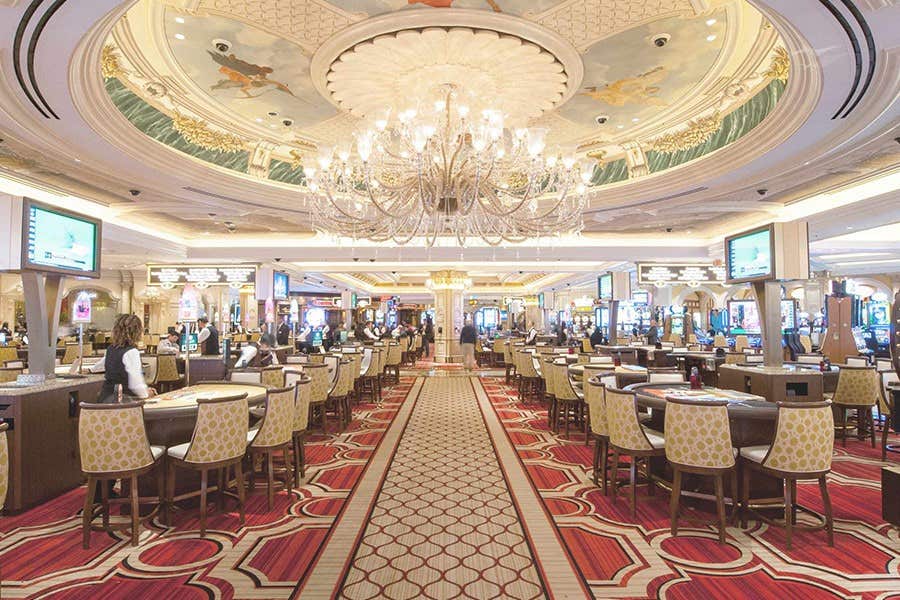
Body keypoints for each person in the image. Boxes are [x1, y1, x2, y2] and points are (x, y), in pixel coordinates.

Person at [91, 314, 155, 402]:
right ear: (137, 332)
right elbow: (135, 384)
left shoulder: (111, 348)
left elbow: (101, 365)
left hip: (105, 398)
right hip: (122, 401)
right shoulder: (131, 352)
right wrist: (146, 394)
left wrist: (90, 369)